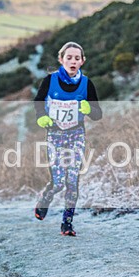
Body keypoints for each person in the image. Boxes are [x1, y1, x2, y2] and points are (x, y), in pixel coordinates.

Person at [33, 42, 102, 236]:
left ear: (82, 61)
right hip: (55, 134)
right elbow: (38, 102)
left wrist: (90, 109)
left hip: (76, 134)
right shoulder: (50, 80)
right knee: (58, 182)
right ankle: (45, 198)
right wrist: (41, 117)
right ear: (61, 59)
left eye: (77, 58)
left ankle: (67, 222)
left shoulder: (87, 83)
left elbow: (98, 113)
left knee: (72, 179)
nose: (73, 61)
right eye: (69, 57)